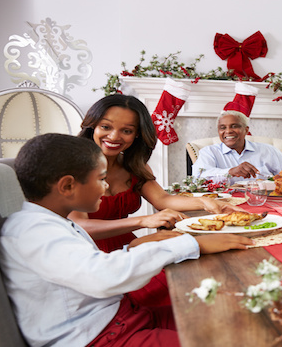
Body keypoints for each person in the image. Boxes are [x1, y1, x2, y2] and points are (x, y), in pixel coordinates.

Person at [0, 133, 253, 346]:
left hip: (121, 318)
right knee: (225, 338)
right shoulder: (32, 231)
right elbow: (101, 278)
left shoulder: (49, 222)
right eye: (100, 180)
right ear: (67, 186)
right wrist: (191, 244)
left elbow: (82, 267)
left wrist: (131, 246)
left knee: (231, 317)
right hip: (100, 338)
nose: (106, 187)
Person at [69, 94, 244, 307]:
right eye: (106, 127)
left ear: (137, 135)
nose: (114, 136)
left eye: (127, 130)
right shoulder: (73, 166)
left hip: (129, 246)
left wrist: (205, 203)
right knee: (175, 296)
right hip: (90, 255)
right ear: (92, 126)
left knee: (194, 281)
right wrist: (143, 221)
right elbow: (80, 226)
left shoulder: (135, 166)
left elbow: (163, 199)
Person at [191, 110, 282, 179]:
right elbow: (198, 178)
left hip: (263, 200)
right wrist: (230, 171)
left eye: (234, 126)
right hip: (224, 203)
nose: (228, 131)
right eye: (222, 128)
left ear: (246, 130)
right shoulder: (209, 152)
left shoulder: (268, 150)